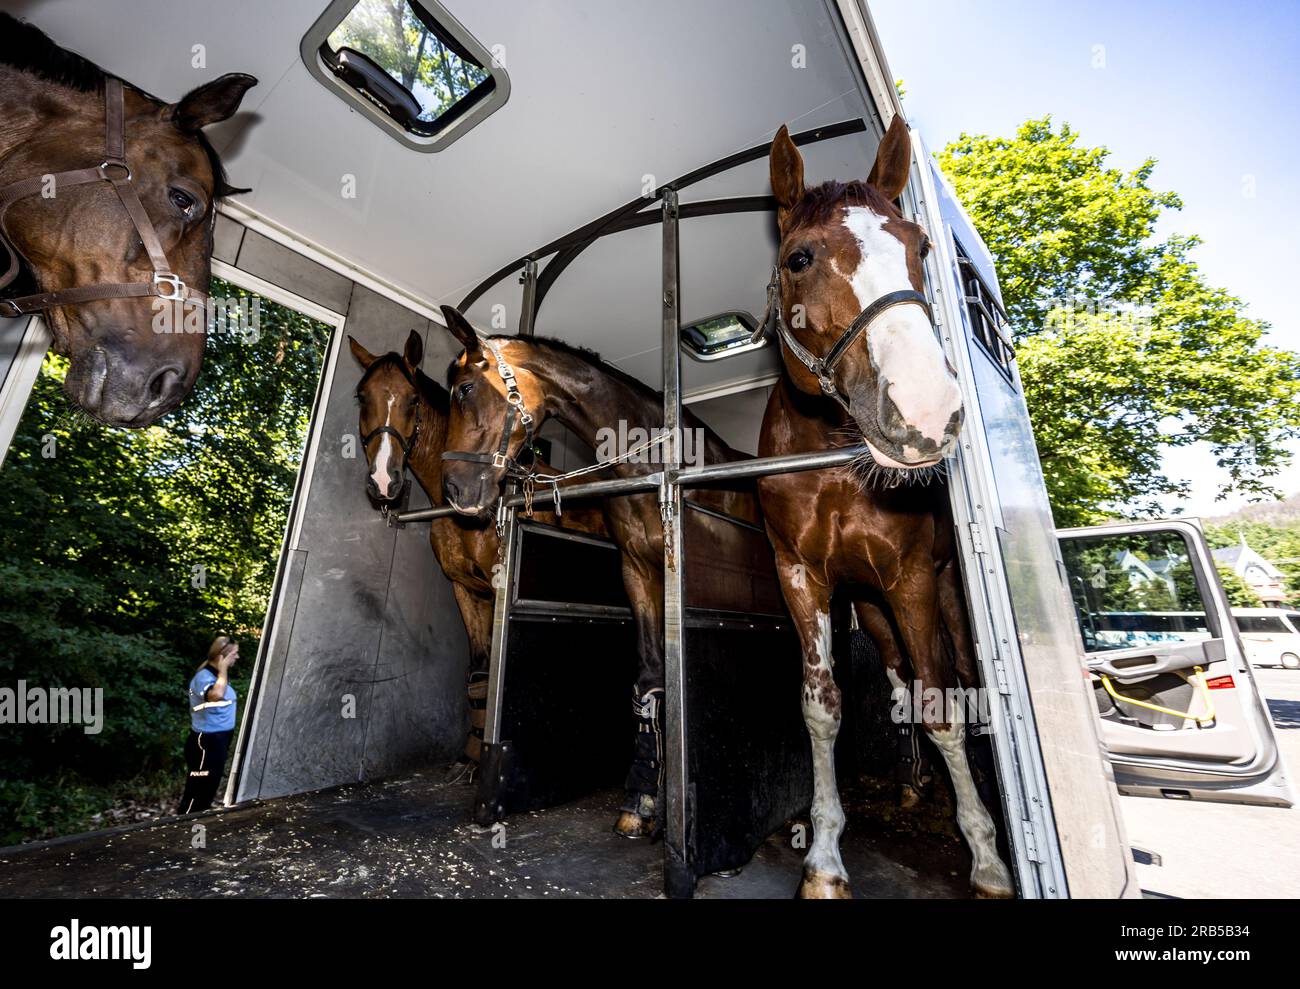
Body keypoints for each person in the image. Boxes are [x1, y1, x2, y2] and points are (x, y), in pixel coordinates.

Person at [178, 635, 239, 814]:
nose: (237, 657)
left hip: (217, 742)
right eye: (234, 653)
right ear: (223, 656)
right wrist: (223, 669)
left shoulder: (215, 675)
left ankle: (196, 827)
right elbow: (215, 695)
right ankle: (183, 829)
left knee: (207, 790)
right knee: (197, 791)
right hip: (206, 744)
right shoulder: (204, 677)